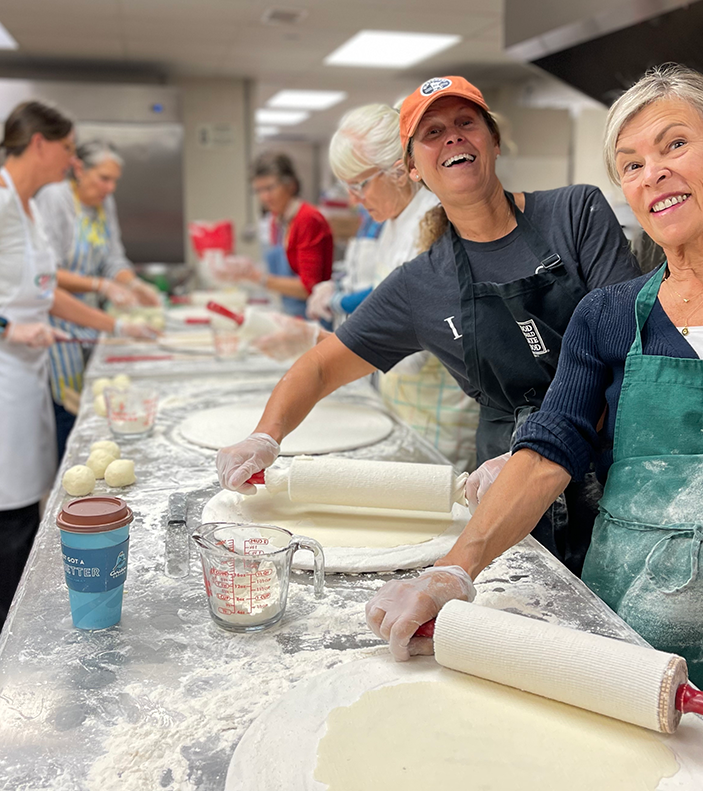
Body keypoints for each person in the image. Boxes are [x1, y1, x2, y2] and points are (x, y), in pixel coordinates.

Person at [365, 65, 703, 766]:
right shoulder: (607, 314)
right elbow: (551, 445)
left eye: (675, 145)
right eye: (631, 164)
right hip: (619, 636)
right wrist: (453, 570)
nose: (651, 174)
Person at [215, 76, 640, 571]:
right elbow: (321, 368)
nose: (453, 137)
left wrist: (551, 445)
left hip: (610, 465)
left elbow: (627, 348)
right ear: (413, 168)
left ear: (493, 141)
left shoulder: (575, 212)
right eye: (432, 133)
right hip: (502, 484)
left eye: (466, 123)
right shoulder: (420, 282)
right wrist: (265, 437)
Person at [0, 101, 153, 630]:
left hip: (28, 372)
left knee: (25, 506)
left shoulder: (29, 207)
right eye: (67, 149)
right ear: (40, 143)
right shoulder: (1, 198)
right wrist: (6, 328)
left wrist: (117, 324)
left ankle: (19, 614)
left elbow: (46, 292)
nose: (71, 161)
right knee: (10, 510)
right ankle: (10, 630)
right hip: (4, 372)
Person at [307, 102, 480, 472]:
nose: (353, 200)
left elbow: (414, 348)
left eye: (359, 185)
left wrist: (328, 348)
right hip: (402, 407)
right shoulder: (394, 222)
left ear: (400, 171)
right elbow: (385, 301)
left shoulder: (435, 225)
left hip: (439, 419)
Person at [37, 139, 161, 456]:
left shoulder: (104, 204)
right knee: (69, 413)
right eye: (103, 178)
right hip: (56, 321)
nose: (110, 187)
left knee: (92, 409)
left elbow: (112, 259)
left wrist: (134, 283)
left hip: (91, 321)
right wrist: (101, 286)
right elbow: (46, 273)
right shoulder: (55, 198)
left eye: (114, 180)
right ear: (79, 169)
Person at [215, 153, 333, 318]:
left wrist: (257, 277)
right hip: (289, 313)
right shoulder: (277, 220)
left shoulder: (307, 218)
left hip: (314, 319)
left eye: (270, 188)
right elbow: (280, 273)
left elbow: (308, 287)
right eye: (259, 190)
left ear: (290, 185)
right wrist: (248, 269)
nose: (264, 197)